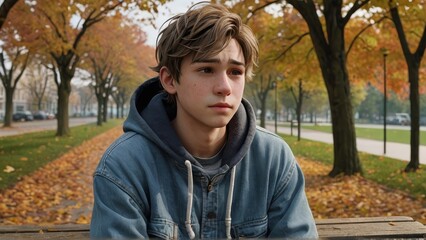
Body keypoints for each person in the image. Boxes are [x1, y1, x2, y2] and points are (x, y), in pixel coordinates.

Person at [90, 2, 318, 239]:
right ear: (169, 80)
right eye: (207, 69)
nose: (224, 87)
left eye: (235, 72)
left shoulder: (273, 159)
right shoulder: (124, 166)